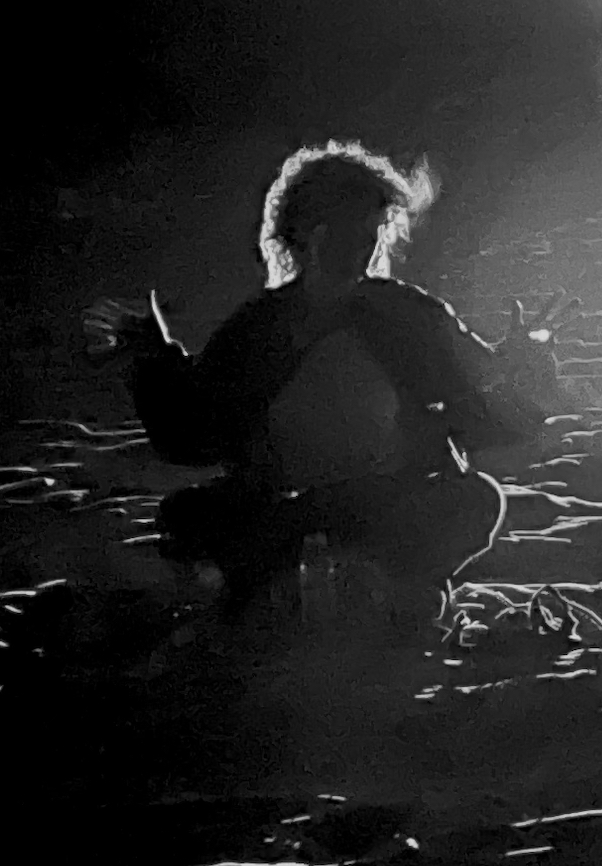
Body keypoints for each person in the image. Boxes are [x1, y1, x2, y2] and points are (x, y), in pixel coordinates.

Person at [97, 139, 565, 637]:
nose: (362, 247)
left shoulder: (406, 313)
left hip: (387, 507)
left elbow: (490, 413)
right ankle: (318, 590)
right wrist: (154, 358)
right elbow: (192, 436)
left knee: (475, 501)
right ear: (303, 236)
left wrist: (526, 366)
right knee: (189, 517)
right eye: (343, 231)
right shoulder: (259, 327)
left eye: (371, 231)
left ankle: (372, 587)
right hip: (285, 513)